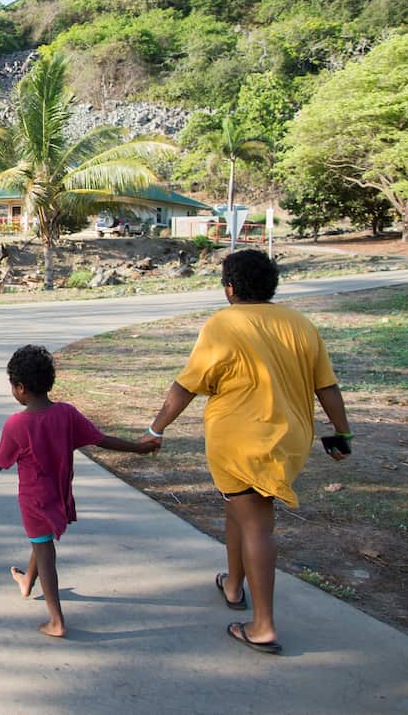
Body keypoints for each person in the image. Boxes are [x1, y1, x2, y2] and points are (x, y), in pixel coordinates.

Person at [146, 248, 353, 655]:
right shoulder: (300, 324)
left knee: (256, 524)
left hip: (239, 441)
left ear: (230, 288)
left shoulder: (223, 324)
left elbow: (187, 385)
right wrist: (342, 433)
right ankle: (233, 584)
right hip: (289, 439)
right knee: (237, 509)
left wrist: (156, 428)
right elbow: (326, 386)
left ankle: (263, 626)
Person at [0, 345, 160, 638]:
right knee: (41, 540)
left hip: (34, 500)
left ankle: (56, 621)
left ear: (21, 388)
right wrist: (138, 448)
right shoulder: (66, 414)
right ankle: (27, 581)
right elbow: (101, 440)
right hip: (59, 494)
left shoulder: (17, 424)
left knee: (44, 550)